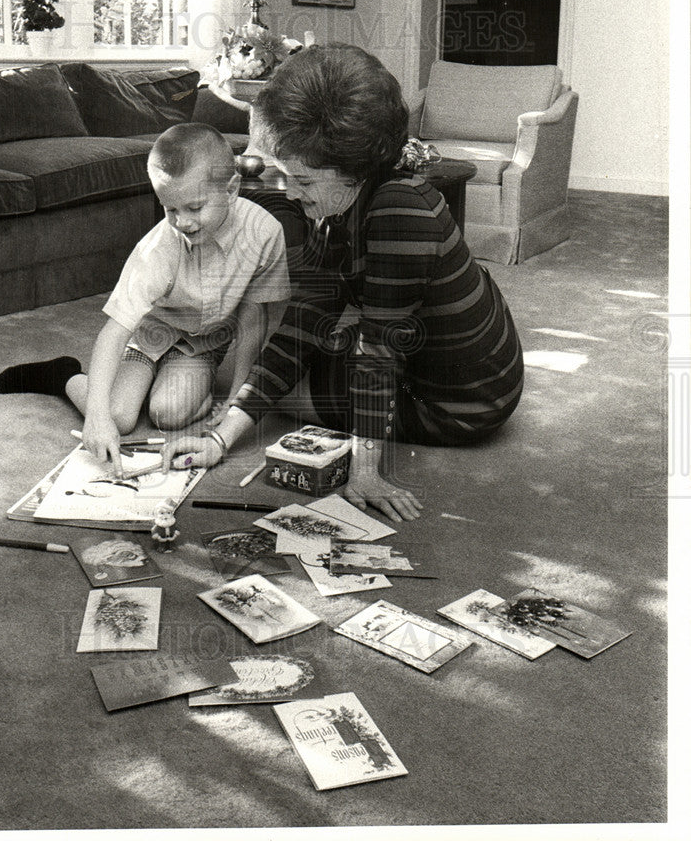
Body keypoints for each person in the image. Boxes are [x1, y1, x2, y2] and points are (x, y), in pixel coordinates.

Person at [160, 45, 524, 523]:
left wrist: (365, 468)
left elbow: (379, 350)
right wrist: (221, 438)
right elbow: (304, 323)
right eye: (288, 175)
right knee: (271, 360)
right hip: (431, 362)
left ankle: (181, 355)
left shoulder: (401, 208)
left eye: (305, 181)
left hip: (462, 402)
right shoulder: (336, 210)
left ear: (356, 169)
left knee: (251, 382)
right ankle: (197, 367)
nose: (290, 192)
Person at [0, 123, 290, 474]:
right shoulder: (158, 248)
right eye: (169, 209)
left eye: (194, 208)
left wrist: (234, 399)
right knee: (118, 417)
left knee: (167, 414)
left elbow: (252, 320)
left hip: (202, 344)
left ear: (231, 189)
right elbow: (114, 332)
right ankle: (63, 374)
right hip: (149, 337)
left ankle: (190, 387)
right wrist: (97, 419)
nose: (181, 222)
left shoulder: (265, 233)